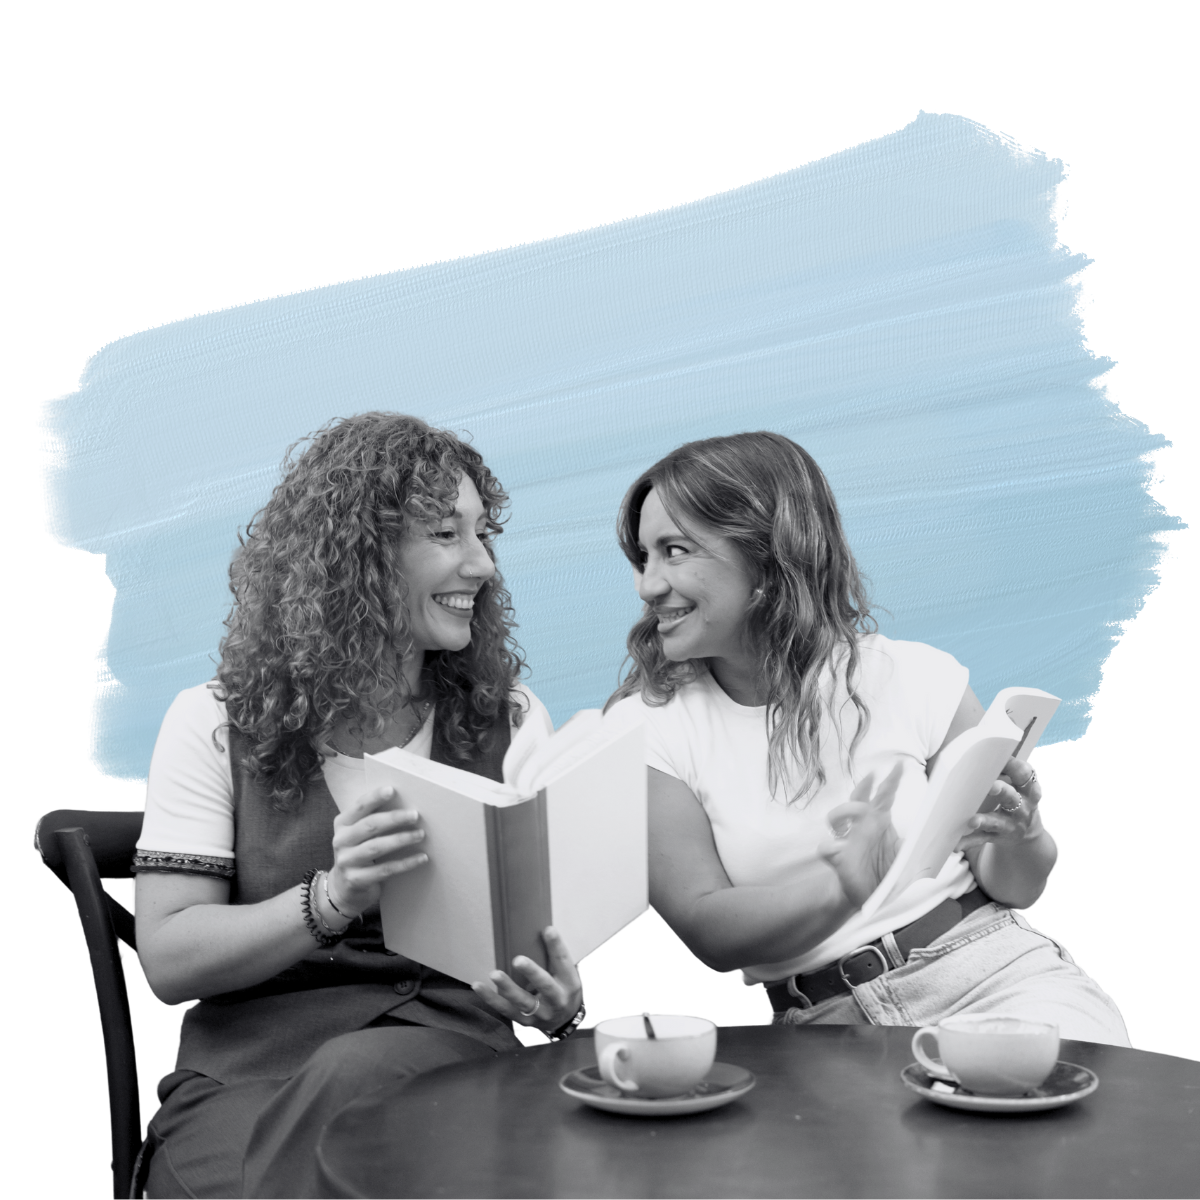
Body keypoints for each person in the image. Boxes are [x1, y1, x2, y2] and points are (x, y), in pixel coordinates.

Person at [133, 413, 587, 1200]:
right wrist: (331, 899)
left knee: (369, 1078)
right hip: (247, 1085)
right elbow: (170, 959)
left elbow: (545, 945)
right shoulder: (213, 720)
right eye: (447, 534)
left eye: (485, 535)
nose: (481, 564)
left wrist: (559, 1000)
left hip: (455, 1066)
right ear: (356, 558)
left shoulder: (509, 717)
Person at [606, 431, 1129, 1045]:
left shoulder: (914, 675)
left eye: (675, 551)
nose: (648, 585)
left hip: (992, 974)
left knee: (1054, 1121)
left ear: (767, 555)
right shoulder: (645, 729)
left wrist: (1022, 834)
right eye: (644, 557)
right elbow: (709, 931)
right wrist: (841, 888)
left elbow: (1016, 887)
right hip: (822, 1026)